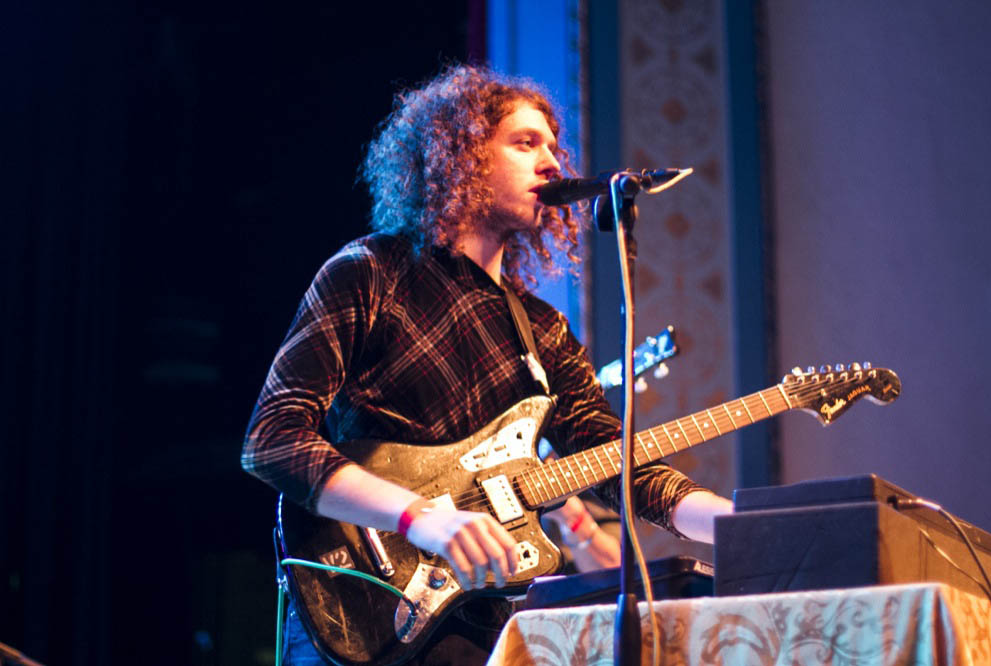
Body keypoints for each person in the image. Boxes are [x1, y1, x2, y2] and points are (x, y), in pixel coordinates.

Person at [241, 64, 733, 666]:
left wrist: (737, 525)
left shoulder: (544, 330)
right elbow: (272, 440)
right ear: (462, 156)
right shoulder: (369, 272)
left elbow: (621, 463)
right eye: (526, 143)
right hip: (361, 600)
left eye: (554, 146)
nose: (553, 163)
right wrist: (419, 518)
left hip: (484, 623)